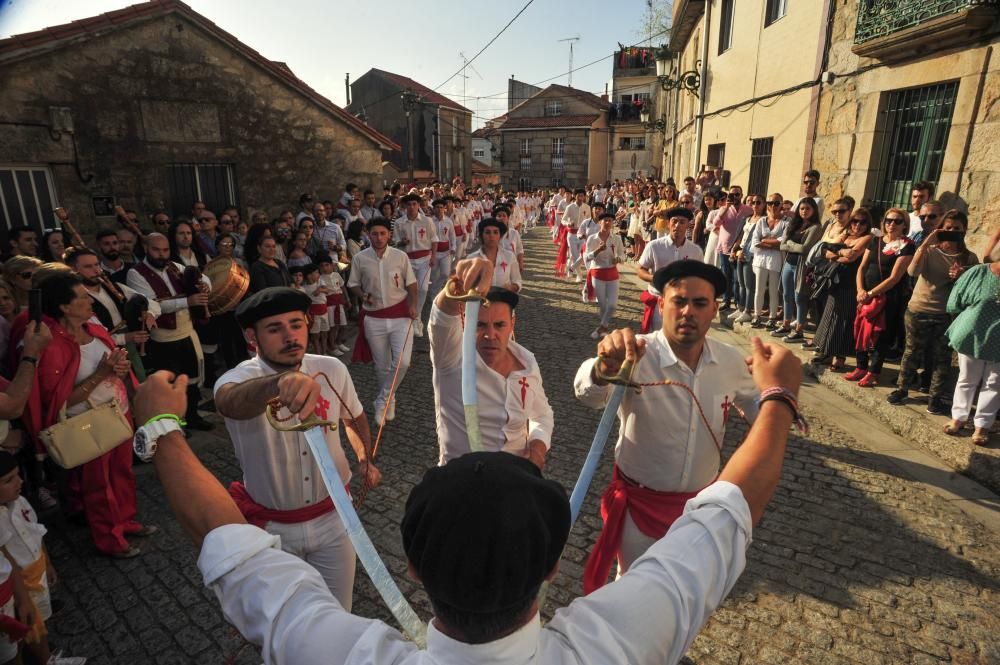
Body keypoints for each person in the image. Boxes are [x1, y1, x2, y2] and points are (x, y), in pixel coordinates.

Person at [133, 323, 799, 664]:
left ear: (414, 570)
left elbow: (228, 545)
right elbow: (726, 512)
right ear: (553, 568)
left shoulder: (342, 651)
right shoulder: (613, 642)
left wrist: (162, 426)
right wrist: (777, 395)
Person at [574, 260, 759, 592]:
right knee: (632, 590)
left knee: (686, 593)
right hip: (640, 509)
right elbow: (588, 392)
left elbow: (758, 408)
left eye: (700, 303)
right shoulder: (636, 353)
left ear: (714, 310)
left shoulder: (731, 361)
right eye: (679, 301)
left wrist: (777, 392)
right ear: (662, 304)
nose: (688, 311)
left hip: (699, 511)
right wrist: (602, 368)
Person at [214, 287, 379, 609]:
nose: (290, 336)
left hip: (335, 519)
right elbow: (229, 402)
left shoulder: (332, 368)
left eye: (296, 324)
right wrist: (277, 384)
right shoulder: (237, 380)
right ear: (252, 337)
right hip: (274, 530)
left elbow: (354, 417)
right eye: (275, 329)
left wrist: (364, 458)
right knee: (285, 620)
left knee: (338, 611)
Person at [22, 273, 155, 558]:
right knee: (98, 485)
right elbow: (59, 400)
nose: (89, 300)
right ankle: (109, 538)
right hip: (87, 424)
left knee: (122, 473)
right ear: (64, 307)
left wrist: (120, 370)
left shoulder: (94, 329)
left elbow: (115, 367)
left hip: (118, 414)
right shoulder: (52, 345)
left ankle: (125, 520)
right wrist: (102, 374)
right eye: (81, 296)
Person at [429, 258, 552, 467]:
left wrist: (537, 450)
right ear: (465, 322)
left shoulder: (527, 362)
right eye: (480, 325)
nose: (490, 334)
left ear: (512, 324)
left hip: (515, 479)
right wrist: (457, 285)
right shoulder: (451, 357)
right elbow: (440, 318)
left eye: (499, 325)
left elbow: (541, 414)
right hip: (460, 481)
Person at [0, 451, 87, 665]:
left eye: (18, 475)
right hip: (19, 582)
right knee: (26, 627)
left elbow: (37, 533)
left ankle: (43, 656)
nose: (19, 482)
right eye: (8, 480)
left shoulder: (20, 502)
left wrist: (47, 563)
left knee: (40, 620)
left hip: (36, 570)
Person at [888, 211, 979, 413]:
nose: (952, 232)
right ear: (941, 228)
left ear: (964, 229)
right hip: (919, 309)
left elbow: (974, 289)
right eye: (947, 228)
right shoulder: (930, 251)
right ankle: (902, 389)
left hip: (946, 314)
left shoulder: (969, 258)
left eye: (956, 228)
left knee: (942, 358)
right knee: (912, 353)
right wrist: (927, 242)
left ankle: (934, 397)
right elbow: (912, 271)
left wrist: (962, 276)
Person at [126, 233, 213, 429]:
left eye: (165, 250)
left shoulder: (175, 266)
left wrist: (204, 285)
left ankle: (192, 416)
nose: (162, 254)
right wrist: (188, 301)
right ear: (146, 248)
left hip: (187, 332)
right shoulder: (136, 273)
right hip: (162, 339)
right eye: (156, 250)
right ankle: (176, 422)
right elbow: (151, 304)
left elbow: (202, 276)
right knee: (170, 383)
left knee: (190, 381)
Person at [348, 218, 417, 426]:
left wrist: (413, 305)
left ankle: (382, 399)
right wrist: (362, 295)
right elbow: (352, 284)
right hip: (374, 319)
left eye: (382, 233)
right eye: (374, 233)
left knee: (403, 362)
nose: (378, 238)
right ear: (368, 234)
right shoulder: (360, 258)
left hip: (401, 316)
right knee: (381, 367)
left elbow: (412, 284)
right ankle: (390, 400)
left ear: (389, 235)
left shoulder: (400, 256)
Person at [845, 209, 916, 388]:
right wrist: (861, 290)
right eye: (888, 220)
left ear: (905, 224)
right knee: (860, 329)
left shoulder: (907, 246)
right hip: (865, 295)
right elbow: (862, 267)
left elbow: (894, 278)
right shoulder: (875, 241)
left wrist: (870, 294)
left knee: (879, 335)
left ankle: (873, 372)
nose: (892, 224)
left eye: (897, 221)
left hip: (886, 297)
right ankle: (861, 366)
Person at [943, 259, 1000, 446]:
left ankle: (982, 425)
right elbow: (956, 299)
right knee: (967, 378)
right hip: (973, 333)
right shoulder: (979, 272)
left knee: (994, 383)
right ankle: (958, 418)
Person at [811, 209, 873, 371]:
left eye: (862, 222)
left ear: (868, 224)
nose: (858, 225)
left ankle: (840, 356)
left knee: (844, 319)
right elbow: (824, 250)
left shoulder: (867, 238)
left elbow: (851, 257)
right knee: (829, 315)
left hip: (850, 282)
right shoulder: (846, 235)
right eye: (855, 221)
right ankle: (827, 352)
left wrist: (835, 252)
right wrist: (840, 252)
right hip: (835, 280)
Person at [64, 247, 157, 349]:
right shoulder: (75, 301)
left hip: (130, 346)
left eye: (97, 265)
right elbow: (86, 336)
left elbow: (151, 302)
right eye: (88, 266)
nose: (96, 271)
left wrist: (149, 313)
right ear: (73, 270)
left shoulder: (115, 287)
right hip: (104, 351)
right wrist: (123, 338)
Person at [636, 208, 703, 333]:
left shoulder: (695, 251)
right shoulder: (654, 246)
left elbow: (700, 276)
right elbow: (640, 269)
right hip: (659, 300)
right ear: (668, 223)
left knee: (678, 337)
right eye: (674, 221)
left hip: (683, 302)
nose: (677, 225)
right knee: (657, 336)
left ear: (688, 225)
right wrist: (655, 278)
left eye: (682, 222)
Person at [774, 197, 822, 341]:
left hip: (802, 266)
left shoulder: (815, 227)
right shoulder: (794, 224)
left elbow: (805, 248)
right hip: (789, 263)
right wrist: (789, 244)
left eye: (808, 209)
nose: (804, 211)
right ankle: (786, 324)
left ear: (814, 211)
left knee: (799, 297)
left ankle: (799, 330)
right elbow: (781, 245)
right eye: (802, 208)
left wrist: (789, 243)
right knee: (786, 295)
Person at [393, 194, 437, 337]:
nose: (411, 207)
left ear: (418, 205)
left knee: (423, 289)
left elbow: (434, 239)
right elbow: (395, 242)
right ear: (404, 207)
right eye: (409, 205)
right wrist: (402, 242)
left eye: (414, 204)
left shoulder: (427, 221)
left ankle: (417, 318)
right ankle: (411, 317)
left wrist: (434, 256)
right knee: (410, 290)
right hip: (407, 260)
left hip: (424, 258)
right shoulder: (399, 223)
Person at [583, 213, 625, 340]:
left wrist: (618, 259)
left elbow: (622, 255)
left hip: (612, 273)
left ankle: (602, 327)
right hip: (598, 273)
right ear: (600, 223)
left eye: (610, 221)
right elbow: (587, 257)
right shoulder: (592, 238)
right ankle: (604, 328)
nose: (608, 223)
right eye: (605, 220)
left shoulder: (616, 238)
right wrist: (598, 250)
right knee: (602, 304)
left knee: (612, 305)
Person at [749, 194, 788, 328]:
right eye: (770, 202)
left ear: (781, 204)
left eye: (776, 203)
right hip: (760, 259)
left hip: (776, 260)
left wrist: (764, 240)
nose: (772, 206)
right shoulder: (761, 221)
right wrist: (773, 243)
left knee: (773, 290)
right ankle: (757, 316)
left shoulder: (786, 222)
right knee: (759, 289)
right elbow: (754, 242)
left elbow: (783, 242)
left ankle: (772, 317)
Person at [467, 219, 522, 293]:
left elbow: (517, 280)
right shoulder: (472, 258)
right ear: (481, 236)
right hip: (479, 301)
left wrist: (513, 287)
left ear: (500, 236)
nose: (491, 235)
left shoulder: (509, 256)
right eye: (487, 232)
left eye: (495, 232)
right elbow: (466, 285)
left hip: (503, 301)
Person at [428, 199, 456, 298]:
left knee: (445, 274)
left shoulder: (448, 221)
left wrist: (453, 247)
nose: (439, 209)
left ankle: (435, 289)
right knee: (433, 275)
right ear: (434, 209)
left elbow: (452, 235)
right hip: (434, 252)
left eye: (441, 207)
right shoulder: (430, 221)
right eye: (437, 207)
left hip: (446, 252)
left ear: (444, 209)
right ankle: (433, 294)